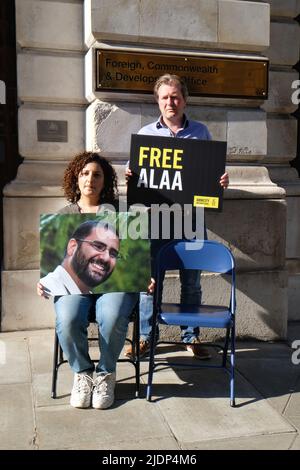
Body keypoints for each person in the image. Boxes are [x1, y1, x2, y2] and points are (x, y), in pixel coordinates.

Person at [124, 74, 229, 360]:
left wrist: (219, 182)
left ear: (184, 100)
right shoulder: (146, 134)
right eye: (165, 97)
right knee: (150, 281)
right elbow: (133, 174)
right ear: (158, 101)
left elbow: (209, 174)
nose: (171, 102)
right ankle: (147, 337)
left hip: (191, 220)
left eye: (175, 96)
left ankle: (190, 336)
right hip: (156, 218)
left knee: (192, 282)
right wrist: (130, 176)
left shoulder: (201, 132)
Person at [37, 151, 139, 410]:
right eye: (84, 173)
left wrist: (142, 276)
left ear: (105, 181)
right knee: (69, 318)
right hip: (74, 288)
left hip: (113, 286)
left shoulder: (121, 213)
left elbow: (136, 257)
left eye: (97, 174)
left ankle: (106, 374)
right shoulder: (64, 215)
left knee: (114, 314)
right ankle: (82, 372)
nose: (90, 179)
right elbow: (53, 262)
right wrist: (44, 282)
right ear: (76, 178)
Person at [40, 219, 121, 296]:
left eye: (113, 254)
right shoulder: (47, 291)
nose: (106, 258)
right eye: (98, 246)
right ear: (73, 247)